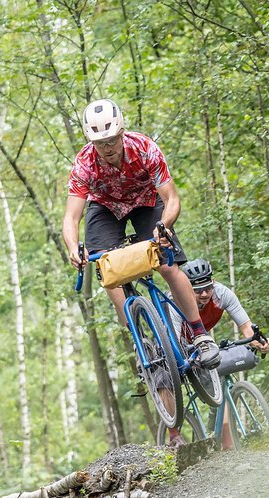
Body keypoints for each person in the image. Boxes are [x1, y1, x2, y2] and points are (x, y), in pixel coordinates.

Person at [62, 98, 219, 368]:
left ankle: (200, 335)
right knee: (109, 270)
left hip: (147, 203)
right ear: (91, 142)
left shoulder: (146, 149)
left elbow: (172, 200)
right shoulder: (84, 164)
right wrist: (73, 246)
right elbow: (71, 217)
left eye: (112, 140)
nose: (107, 148)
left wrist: (164, 226)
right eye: (100, 144)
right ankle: (140, 340)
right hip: (105, 207)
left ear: (122, 132)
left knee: (168, 266)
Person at [165, 258, 269, 447]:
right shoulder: (176, 301)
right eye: (197, 291)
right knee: (166, 377)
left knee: (221, 373)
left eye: (208, 288)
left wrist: (258, 341)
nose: (204, 294)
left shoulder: (222, 294)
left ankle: (226, 441)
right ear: (186, 288)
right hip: (175, 344)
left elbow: (246, 326)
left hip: (202, 342)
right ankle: (174, 434)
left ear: (213, 283)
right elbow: (176, 343)